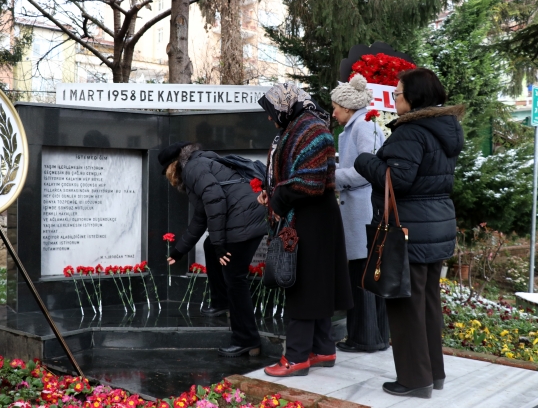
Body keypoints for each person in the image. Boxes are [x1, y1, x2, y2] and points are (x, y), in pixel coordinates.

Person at [354, 68, 464, 399]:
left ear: (413, 98)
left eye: (398, 94)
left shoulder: (411, 132)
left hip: (411, 230)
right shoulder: (444, 129)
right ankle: (433, 372)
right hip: (437, 225)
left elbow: (397, 180)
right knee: (428, 302)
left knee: (406, 305)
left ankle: (415, 379)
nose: (394, 99)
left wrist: (364, 161)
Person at [257, 82, 353, 377]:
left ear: (285, 106)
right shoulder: (302, 125)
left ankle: (297, 357)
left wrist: (276, 198)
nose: (271, 119)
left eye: (272, 112)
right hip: (316, 216)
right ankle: (323, 349)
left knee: (302, 285)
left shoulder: (309, 129)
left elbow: (307, 182)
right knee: (317, 285)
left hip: (311, 218)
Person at [158, 142, 268, 357]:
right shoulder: (199, 163)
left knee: (235, 279)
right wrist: (180, 250)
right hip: (247, 215)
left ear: (172, 166)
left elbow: (215, 200)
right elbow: (201, 216)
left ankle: (247, 339)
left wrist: (220, 244)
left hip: (243, 219)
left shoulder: (192, 168)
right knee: (212, 248)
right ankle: (221, 302)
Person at [330, 74, 390, 353]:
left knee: (361, 274)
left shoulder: (362, 128)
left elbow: (368, 169)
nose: (333, 112)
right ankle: (374, 335)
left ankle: (364, 337)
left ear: (348, 107)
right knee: (365, 273)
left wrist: (333, 177)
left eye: (336, 107)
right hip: (361, 209)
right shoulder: (359, 126)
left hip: (361, 210)